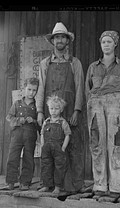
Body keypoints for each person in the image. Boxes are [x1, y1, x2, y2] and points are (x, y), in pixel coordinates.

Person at [36, 22, 86, 193]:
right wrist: (40, 111)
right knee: (49, 148)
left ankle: (74, 185)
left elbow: (80, 87)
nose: (59, 40)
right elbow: (41, 87)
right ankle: (48, 184)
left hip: (70, 110)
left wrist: (77, 110)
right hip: (51, 112)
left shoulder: (75, 63)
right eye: (56, 37)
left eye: (62, 37)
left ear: (67, 41)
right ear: (53, 41)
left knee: (72, 147)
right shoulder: (45, 63)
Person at [85, 31, 120, 197]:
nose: (106, 44)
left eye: (109, 41)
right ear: (100, 44)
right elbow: (87, 90)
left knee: (115, 144)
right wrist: (92, 104)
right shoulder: (92, 67)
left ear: (115, 44)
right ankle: (100, 184)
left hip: (116, 103)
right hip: (96, 103)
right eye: (103, 41)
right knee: (97, 144)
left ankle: (116, 185)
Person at [6, 77, 40, 191]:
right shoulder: (17, 104)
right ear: (24, 89)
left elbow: (41, 123)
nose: (31, 93)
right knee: (13, 157)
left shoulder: (37, 107)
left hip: (30, 135)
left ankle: (25, 182)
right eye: (29, 89)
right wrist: (19, 120)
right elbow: (9, 117)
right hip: (17, 135)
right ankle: (11, 181)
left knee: (28, 158)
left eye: (34, 90)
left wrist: (34, 121)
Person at [38, 95, 71, 194]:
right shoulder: (46, 122)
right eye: (51, 108)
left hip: (58, 148)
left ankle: (57, 186)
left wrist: (63, 147)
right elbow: (42, 134)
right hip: (46, 148)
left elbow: (68, 135)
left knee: (59, 167)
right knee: (46, 166)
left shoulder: (63, 122)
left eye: (56, 109)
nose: (53, 111)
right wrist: (42, 145)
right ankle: (46, 185)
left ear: (61, 110)